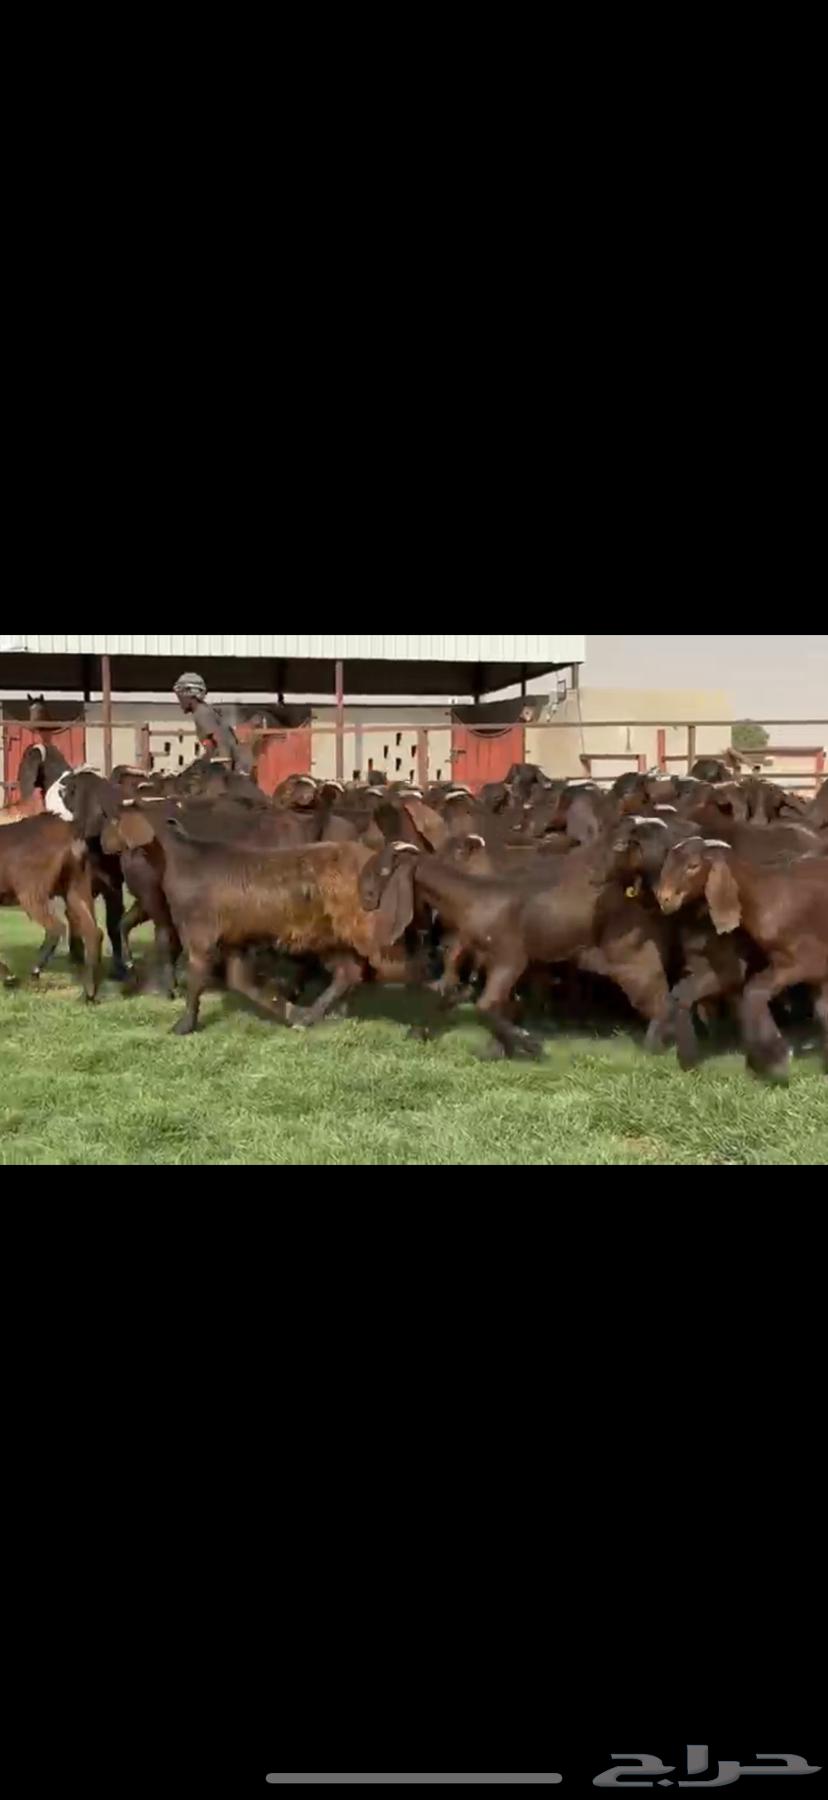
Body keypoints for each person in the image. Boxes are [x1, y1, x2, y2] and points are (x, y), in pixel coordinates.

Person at [173, 673, 252, 775]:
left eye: (180, 698)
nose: (179, 702)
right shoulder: (203, 712)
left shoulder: (202, 713)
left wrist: (224, 768)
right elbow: (211, 744)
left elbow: (220, 741)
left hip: (233, 766)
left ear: (190, 695)